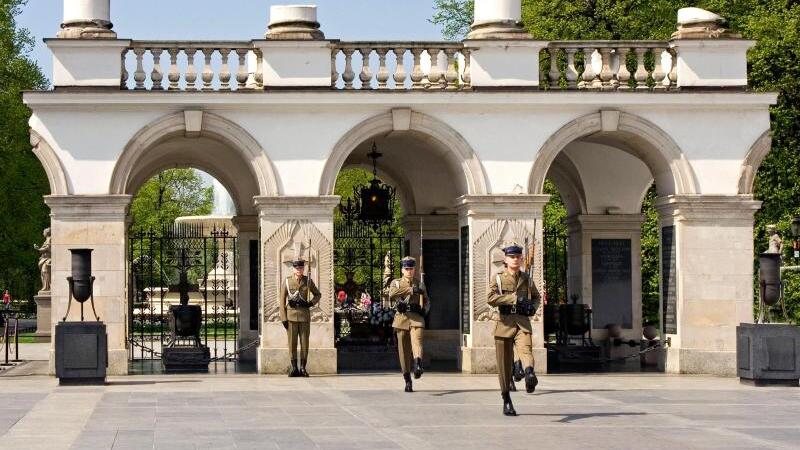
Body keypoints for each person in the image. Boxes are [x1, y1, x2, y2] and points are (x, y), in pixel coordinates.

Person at [488, 242, 541, 416]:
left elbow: (536, 297)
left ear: (522, 259)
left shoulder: (527, 278)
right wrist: (514, 299)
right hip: (504, 323)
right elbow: (491, 298)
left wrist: (532, 307)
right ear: (506, 259)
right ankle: (506, 399)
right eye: (512, 257)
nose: (515, 259)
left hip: (522, 322)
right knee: (504, 365)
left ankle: (529, 373)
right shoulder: (498, 278)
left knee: (526, 350)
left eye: (518, 257)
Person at [389, 256, 430, 392]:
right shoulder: (396, 283)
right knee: (404, 352)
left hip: (417, 319)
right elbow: (392, 294)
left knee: (417, 342)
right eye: (407, 269)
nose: (409, 271)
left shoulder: (420, 283)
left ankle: (418, 364)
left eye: (411, 269)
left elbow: (427, 301)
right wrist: (411, 290)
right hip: (401, 319)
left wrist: (424, 310)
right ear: (402, 270)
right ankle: (407, 379)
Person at [279, 257, 321, 377]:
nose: (299, 270)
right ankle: (294, 368)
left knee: (304, 343)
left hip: (304, 317)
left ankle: (303, 368)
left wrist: (310, 303)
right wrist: (283, 318)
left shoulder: (308, 281)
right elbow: (282, 301)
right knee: (292, 343)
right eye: (297, 268)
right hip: (290, 317)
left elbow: (318, 294)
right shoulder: (287, 282)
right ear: (293, 269)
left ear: (303, 269)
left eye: (301, 268)